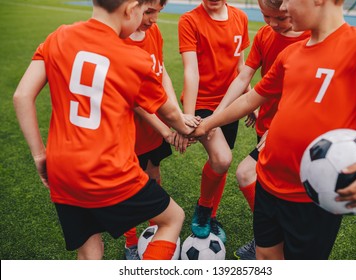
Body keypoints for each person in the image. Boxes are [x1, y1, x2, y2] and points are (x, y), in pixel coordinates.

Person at [190, 0, 356, 259]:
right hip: (268, 183)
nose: (284, 6)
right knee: (266, 257)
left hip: (313, 194)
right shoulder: (290, 54)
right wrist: (207, 123)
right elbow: (251, 100)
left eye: (289, 1)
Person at [13, 0, 195, 260]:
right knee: (172, 218)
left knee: (89, 253)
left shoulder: (59, 36)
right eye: (144, 11)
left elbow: (21, 96)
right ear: (131, 8)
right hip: (109, 173)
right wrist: (195, 126)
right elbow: (173, 117)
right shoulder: (133, 58)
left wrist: (40, 155)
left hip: (62, 170)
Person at [212, 0, 310, 260]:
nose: (272, 24)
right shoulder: (265, 35)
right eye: (267, 17)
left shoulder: (312, 38)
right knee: (266, 189)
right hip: (265, 127)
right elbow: (244, 77)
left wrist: (281, 127)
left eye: (281, 18)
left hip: (291, 132)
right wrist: (217, 116)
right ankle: (270, 240)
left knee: (247, 174)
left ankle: (273, 240)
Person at [122, 0, 200, 260]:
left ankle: (155, 226)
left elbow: (162, 72)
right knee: (129, 186)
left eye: (158, 12)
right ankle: (131, 243)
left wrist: (176, 116)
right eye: (149, 12)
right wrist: (167, 129)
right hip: (131, 132)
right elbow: (132, 100)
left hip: (157, 125)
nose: (154, 19)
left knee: (153, 172)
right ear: (131, 7)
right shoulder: (120, 42)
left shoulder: (153, 32)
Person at [178, 0, 250, 243]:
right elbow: (191, 71)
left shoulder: (240, 17)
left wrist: (248, 97)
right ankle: (204, 208)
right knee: (222, 158)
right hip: (203, 103)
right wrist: (187, 117)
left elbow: (241, 66)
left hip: (231, 102)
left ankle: (211, 213)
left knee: (221, 162)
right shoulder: (189, 20)